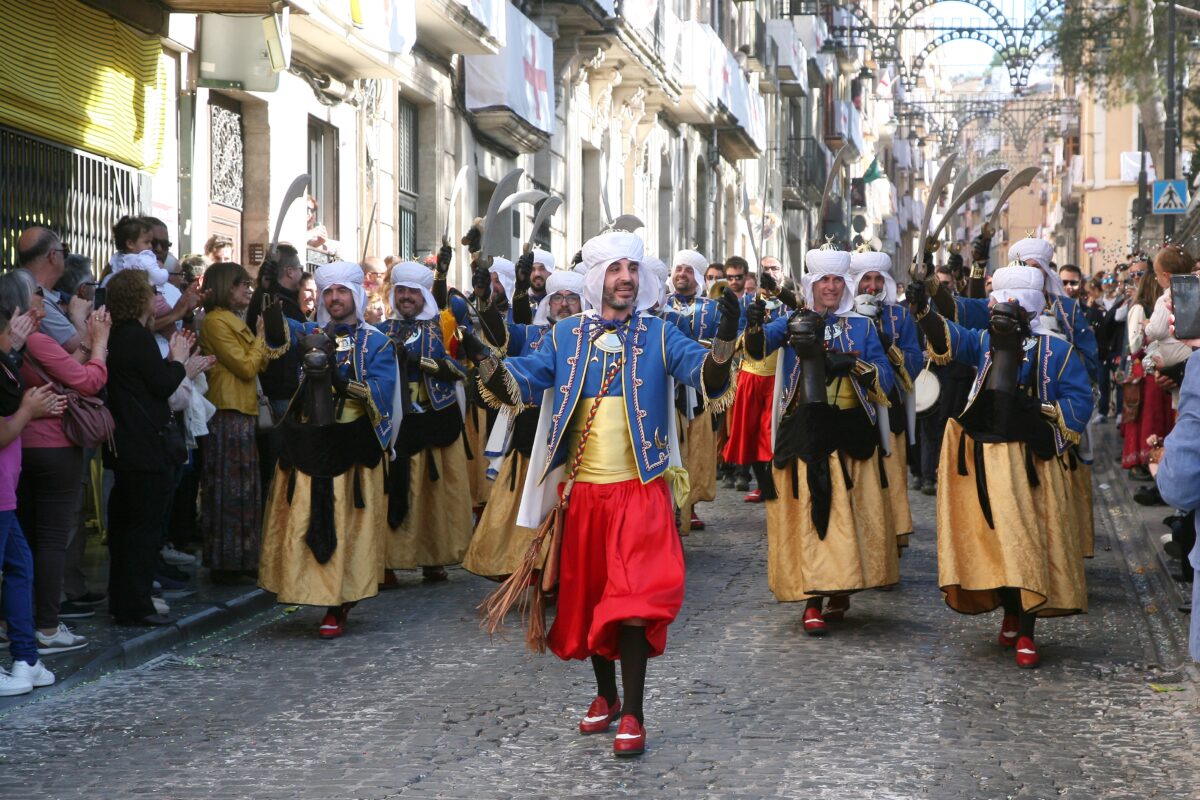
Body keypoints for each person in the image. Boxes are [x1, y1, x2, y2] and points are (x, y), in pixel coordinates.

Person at [468, 231, 738, 757]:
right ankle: (605, 696)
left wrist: (725, 340)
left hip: (641, 492)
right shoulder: (566, 335)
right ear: (596, 279)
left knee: (633, 601)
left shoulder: (660, 334)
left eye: (632, 270)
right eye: (615, 270)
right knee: (592, 599)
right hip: (583, 496)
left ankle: (633, 712)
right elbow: (520, 383)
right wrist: (485, 359)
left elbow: (704, 374)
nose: (626, 279)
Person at [908, 266, 1092, 668]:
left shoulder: (1057, 351)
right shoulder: (983, 343)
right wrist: (923, 311)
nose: (992, 308)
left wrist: (1037, 411)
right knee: (995, 542)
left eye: (1000, 302)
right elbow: (949, 340)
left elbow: (1080, 402)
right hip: (984, 459)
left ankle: (1026, 628)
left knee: (1026, 542)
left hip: (1031, 465)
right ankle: (1010, 611)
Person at [746, 247, 896, 635]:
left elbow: (887, 378)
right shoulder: (793, 319)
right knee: (814, 511)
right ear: (813, 284)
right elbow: (758, 349)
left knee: (851, 516)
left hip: (852, 431)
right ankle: (813, 598)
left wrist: (855, 365)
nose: (830, 287)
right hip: (808, 428)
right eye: (823, 280)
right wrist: (752, 326)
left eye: (836, 281)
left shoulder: (862, 326)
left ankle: (841, 585)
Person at [257, 262, 400, 639]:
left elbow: (381, 394)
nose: (334, 298)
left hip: (352, 446)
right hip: (310, 443)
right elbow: (276, 339)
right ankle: (307, 586)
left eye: (341, 291)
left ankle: (338, 601)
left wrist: (338, 380)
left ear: (356, 294)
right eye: (328, 292)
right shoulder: (308, 331)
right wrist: (268, 295)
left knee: (344, 525)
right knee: (307, 520)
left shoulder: (378, 341)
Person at [6, 271, 110, 654]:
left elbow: (63, 366)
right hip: (51, 444)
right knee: (50, 540)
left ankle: (15, 621)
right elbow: (88, 381)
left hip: (23, 447)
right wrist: (99, 344)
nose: (43, 298)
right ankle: (47, 625)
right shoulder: (32, 339)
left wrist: (82, 338)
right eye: (36, 293)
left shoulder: (17, 343)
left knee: (25, 541)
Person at [463, 269, 585, 578]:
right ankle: (528, 567)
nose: (565, 304)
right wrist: (484, 300)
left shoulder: (595, 338)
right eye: (558, 298)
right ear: (548, 303)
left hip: (574, 439)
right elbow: (499, 334)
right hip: (529, 437)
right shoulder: (532, 334)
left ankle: (562, 571)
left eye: (572, 298)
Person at [104, 270, 207, 626]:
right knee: (142, 530)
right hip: (143, 445)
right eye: (149, 292)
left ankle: (124, 600)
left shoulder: (121, 336)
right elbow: (161, 384)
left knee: (127, 527)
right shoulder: (136, 336)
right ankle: (137, 604)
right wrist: (178, 359)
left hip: (128, 443)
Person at [378, 262, 472, 583]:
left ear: (423, 295)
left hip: (437, 415)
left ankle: (435, 558)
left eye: (412, 292)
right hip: (397, 423)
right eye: (400, 291)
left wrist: (423, 363)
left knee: (435, 494)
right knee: (395, 490)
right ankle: (389, 561)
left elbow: (461, 371)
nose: (405, 297)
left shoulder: (444, 326)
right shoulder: (379, 330)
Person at [0, 306, 66, 696]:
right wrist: (29, 410)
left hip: (6, 491)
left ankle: (26, 658)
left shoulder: (7, 362)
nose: (17, 334)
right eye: (11, 329)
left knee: (21, 567)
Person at [197, 262, 272, 582]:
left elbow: (261, 362)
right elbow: (246, 366)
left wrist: (258, 341)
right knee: (230, 488)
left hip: (243, 408)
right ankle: (227, 560)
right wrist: (259, 338)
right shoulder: (215, 322)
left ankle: (243, 557)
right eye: (241, 285)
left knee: (245, 486)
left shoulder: (233, 320)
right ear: (227, 287)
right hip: (227, 409)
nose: (247, 290)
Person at [848, 249, 922, 553]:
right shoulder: (844, 315)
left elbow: (915, 362)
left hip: (890, 404)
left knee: (891, 472)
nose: (873, 286)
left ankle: (893, 537)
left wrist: (888, 345)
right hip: (854, 405)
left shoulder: (900, 316)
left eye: (879, 279)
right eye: (867, 278)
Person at [661, 249, 724, 532]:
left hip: (697, 388)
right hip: (669, 387)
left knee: (696, 449)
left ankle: (692, 503)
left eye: (688, 271)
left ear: (697, 276)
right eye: (678, 269)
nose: (681, 275)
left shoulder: (712, 308)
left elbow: (723, 344)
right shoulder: (661, 305)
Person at [245, 245, 308, 498]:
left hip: (279, 391)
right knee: (280, 462)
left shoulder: (265, 296)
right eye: (301, 269)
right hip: (281, 393)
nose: (303, 274)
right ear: (290, 272)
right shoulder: (277, 303)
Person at [16, 227, 87, 356]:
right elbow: (76, 344)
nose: (66, 257)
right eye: (64, 251)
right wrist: (79, 317)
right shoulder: (36, 299)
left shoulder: (42, 294)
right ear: (53, 256)